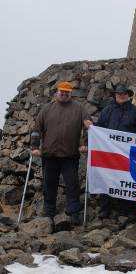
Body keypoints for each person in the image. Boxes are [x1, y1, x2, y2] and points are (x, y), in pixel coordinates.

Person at [31, 82, 92, 225]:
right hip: (49, 155)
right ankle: (49, 210)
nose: (64, 94)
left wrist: (85, 144)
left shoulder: (79, 109)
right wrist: (34, 147)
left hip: (70, 155)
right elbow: (36, 129)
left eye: (67, 92)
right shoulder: (46, 109)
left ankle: (74, 212)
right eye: (62, 92)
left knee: (72, 185)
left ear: (71, 93)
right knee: (49, 184)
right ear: (57, 92)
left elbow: (88, 127)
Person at [95, 83, 136, 217]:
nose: (121, 96)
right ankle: (105, 208)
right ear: (115, 95)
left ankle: (126, 210)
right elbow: (99, 128)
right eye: (118, 94)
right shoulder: (107, 110)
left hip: (128, 154)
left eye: (124, 93)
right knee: (107, 177)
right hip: (109, 153)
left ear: (128, 95)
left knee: (127, 179)